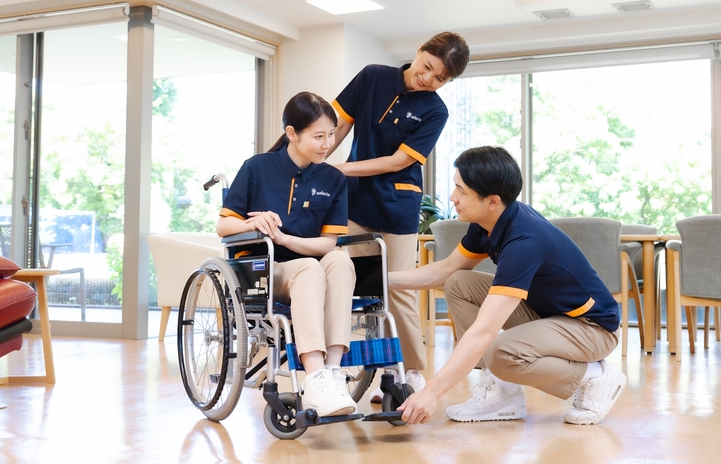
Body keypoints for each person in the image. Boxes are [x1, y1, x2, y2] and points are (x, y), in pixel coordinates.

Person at [390, 146, 627, 426]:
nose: (453, 198)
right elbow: (446, 269)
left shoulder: (524, 241)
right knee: (459, 283)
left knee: (500, 352)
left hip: (591, 328)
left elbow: (484, 331)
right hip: (549, 315)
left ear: (492, 200)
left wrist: (431, 393)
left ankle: (594, 376)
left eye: (461, 191)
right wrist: (379, 280)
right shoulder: (488, 223)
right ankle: (502, 393)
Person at [328, 32, 470, 402]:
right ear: (419, 50)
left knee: (397, 289)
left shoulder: (435, 110)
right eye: (426, 68)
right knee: (364, 289)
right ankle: (368, 368)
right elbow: (339, 123)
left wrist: (341, 170)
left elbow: (398, 162)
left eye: (439, 79)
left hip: (397, 206)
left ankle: (410, 372)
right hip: (356, 204)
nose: (427, 79)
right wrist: (318, 159)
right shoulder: (373, 76)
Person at [217, 91, 358, 417]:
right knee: (309, 267)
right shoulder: (257, 168)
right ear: (292, 133)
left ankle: (332, 373)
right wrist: (252, 222)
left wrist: (283, 236)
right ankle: (314, 375)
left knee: (339, 259)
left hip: (310, 264)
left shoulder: (333, 178)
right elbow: (223, 226)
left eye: (331, 135)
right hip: (264, 271)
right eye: (318, 136)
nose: (327, 143)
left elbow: (327, 244)